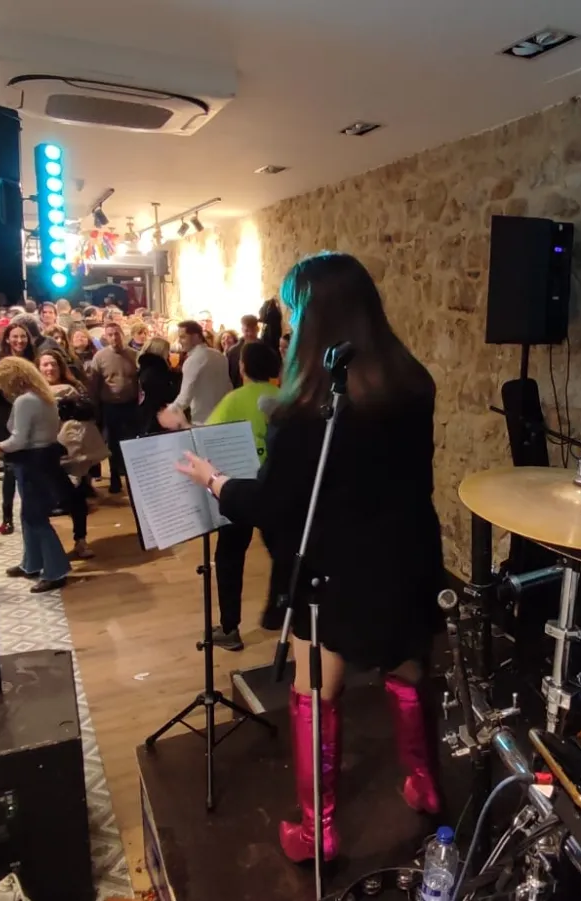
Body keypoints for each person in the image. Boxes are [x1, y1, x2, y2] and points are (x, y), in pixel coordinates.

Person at [172, 252, 444, 863]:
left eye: (294, 310)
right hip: (407, 556)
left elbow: (272, 506)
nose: (288, 323)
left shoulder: (310, 411)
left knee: (315, 690)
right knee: (408, 671)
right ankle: (425, 785)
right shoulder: (412, 383)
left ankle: (316, 830)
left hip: (335, 570)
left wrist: (215, 481)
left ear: (316, 317)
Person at [164, 341, 282, 651]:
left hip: (240, 488)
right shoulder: (285, 398)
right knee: (283, 552)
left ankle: (230, 628)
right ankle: (282, 610)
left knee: (230, 557)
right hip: (277, 488)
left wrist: (182, 425)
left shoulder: (233, 400)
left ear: (242, 367)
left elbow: (207, 440)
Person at [0, 357, 72, 591]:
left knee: (35, 516)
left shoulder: (25, 401)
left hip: (32, 462)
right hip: (45, 459)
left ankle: (56, 570)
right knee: (28, 514)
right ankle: (32, 562)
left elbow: (19, 439)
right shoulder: (44, 397)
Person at [37, 349, 95, 559]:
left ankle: (80, 540)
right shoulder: (33, 392)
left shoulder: (73, 389)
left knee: (76, 498)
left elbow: (86, 416)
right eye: (45, 364)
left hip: (71, 449)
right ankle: (48, 550)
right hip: (44, 452)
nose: (50, 368)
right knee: (47, 501)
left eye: (53, 364)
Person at [0, 323, 36, 531]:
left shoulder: (33, 358)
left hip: (29, 418)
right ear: (7, 338)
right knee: (10, 471)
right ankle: (7, 517)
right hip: (5, 419)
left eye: (23, 337)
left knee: (28, 470)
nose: (19, 341)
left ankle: (30, 513)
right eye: (15, 336)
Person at [85, 322, 140, 494]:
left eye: (116, 333)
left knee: (132, 442)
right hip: (110, 406)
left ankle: (133, 479)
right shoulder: (100, 357)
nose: (114, 337)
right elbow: (94, 384)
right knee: (113, 444)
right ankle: (115, 478)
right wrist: (94, 407)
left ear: (122, 334)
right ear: (106, 337)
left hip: (131, 405)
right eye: (110, 334)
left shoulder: (134, 355)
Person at [168, 319, 232, 424]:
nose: (179, 341)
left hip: (203, 421)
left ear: (196, 337)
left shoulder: (192, 361)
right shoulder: (220, 356)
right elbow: (228, 387)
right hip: (224, 417)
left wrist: (167, 413)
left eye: (183, 337)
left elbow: (184, 398)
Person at [136, 337, 181, 435]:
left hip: (148, 418)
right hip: (156, 420)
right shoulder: (154, 373)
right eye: (167, 352)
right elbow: (169, 395)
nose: (169, 355)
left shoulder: (146, 369)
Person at [226, 314, 259, 388]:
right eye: (247, 330)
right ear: (242, 330)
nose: (250, 334)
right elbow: (229, 376)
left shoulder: (265, 349)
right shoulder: (233, 352)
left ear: (257, 329)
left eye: (253, 330)